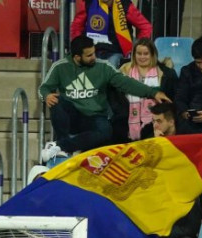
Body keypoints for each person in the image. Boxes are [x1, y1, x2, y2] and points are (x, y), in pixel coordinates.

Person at [39, 36, 171, 161]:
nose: (94, 57)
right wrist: (46, 95)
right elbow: (43, 88)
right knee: (56, 101)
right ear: (77, 57)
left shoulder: (103, 67)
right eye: (89, 55)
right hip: (72, 115)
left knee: (106, 132)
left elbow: (126, 83)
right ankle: (63, 144)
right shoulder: (60, 67)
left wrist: (152, 93)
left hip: (95, 116)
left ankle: (60, 146)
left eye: (94, 53)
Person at [118, 38, 178, 141]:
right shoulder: (123, 70)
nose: (142, 57)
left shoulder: (167, 74)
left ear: (152, 54)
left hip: (155, 121)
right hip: (126, 119)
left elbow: (172, 99)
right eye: (139, 53)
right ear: (134, 54)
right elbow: (116, 97)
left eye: (146, 54)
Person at [70, 0, 152, 67]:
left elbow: (145, 27)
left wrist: (139, 47)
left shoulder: (125, 5)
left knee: (110, 67)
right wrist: (79, 46)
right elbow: (77, 26)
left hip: (115, 52)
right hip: (91, 50)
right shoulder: (89, 2)